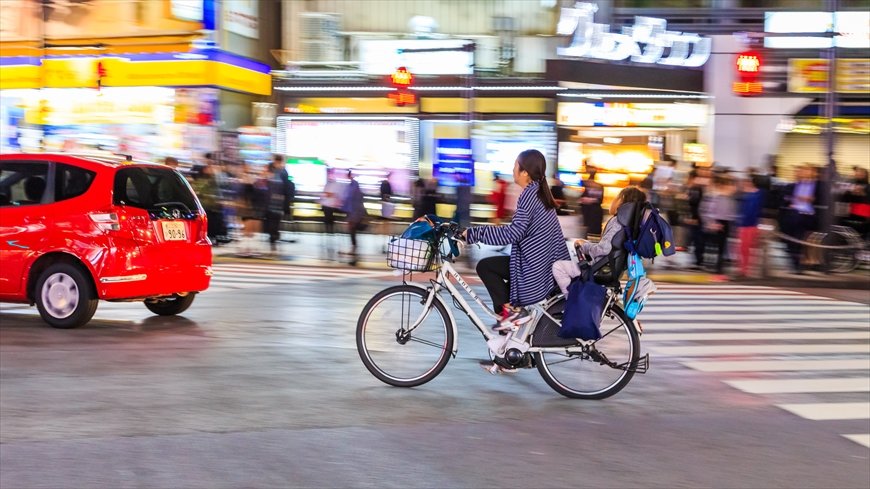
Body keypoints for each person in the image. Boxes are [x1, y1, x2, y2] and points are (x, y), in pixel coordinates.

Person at [461, 149, 569, 336]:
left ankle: (510, 317)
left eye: (515, 167)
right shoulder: (539, 192)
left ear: (525, 172)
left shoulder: (529, 195)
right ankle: (507, 349)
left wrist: (473, 234)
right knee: (504, 296)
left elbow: (513, 233)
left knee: (486, 267)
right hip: (542, 265)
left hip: (535, 269)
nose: (512, 171)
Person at [553, 187, 648, 296]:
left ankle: (571, 300)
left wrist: (585, 246)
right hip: (607, 268)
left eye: (616, 197)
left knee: (558, 266)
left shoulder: (617, 222)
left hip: (598, 269)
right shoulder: (628, 226)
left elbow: (604, 248)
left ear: (621, 200)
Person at [264, 154, 294, 255]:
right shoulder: (276, 171)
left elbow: (287, 187)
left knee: (274, 223)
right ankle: (273, 240)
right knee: (272, 223)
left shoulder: (281, 172)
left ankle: (274, 241)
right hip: (273, 203)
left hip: (276, 203)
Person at [736, 176, 764, 279]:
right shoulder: (747, 195)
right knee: (743, 248)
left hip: (751, 224)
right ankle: (743, 269)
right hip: (745, 224)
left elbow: (752, 211)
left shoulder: (756, 195)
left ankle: (747, 270)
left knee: (748, 248)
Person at [342, 170, 367, 265]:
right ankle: (354, 252)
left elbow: (352, 200)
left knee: (352, 231)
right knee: (352, 232)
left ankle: (354, 254)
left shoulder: (354, 185)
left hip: (354, 213)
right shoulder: (352, 185)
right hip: (353, 212)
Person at [580, 167, 604, 237]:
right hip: (595, 212)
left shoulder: (585, 185)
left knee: (589, 232)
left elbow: (581, 199)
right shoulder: (600, 186)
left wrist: (587, 200)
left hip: (590, 213)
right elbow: (600, 200)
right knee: (594, 233)